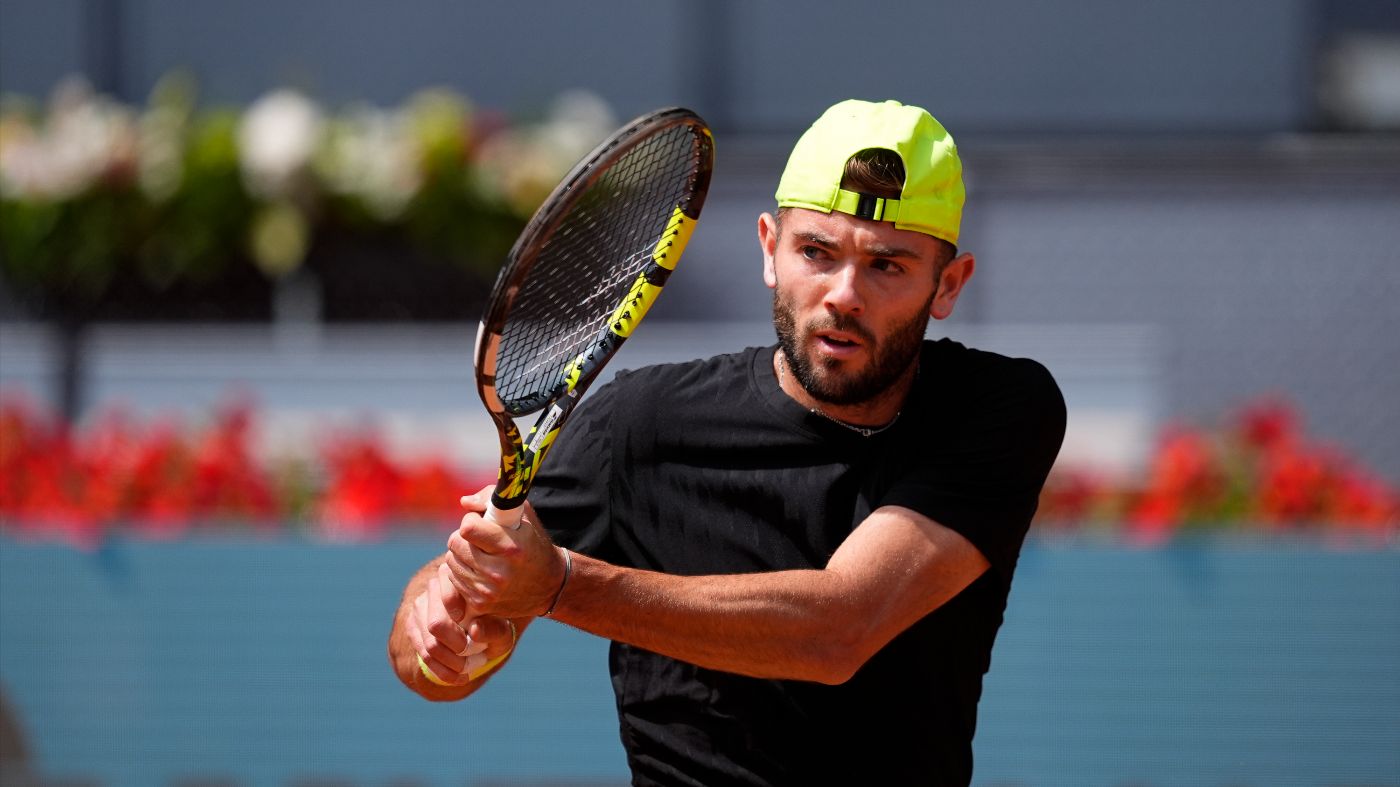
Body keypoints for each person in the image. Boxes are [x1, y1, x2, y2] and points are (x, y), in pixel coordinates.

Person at [387, 99, 1066, 786]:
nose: (844, 294)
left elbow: (838, 631)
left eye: (886, 266)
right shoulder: (638, 422)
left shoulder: (997, 407)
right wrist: (447, 634)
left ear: (948, 285)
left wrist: (560, 586)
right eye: (816, 252)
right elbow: (436, 655)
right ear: (770, 249)